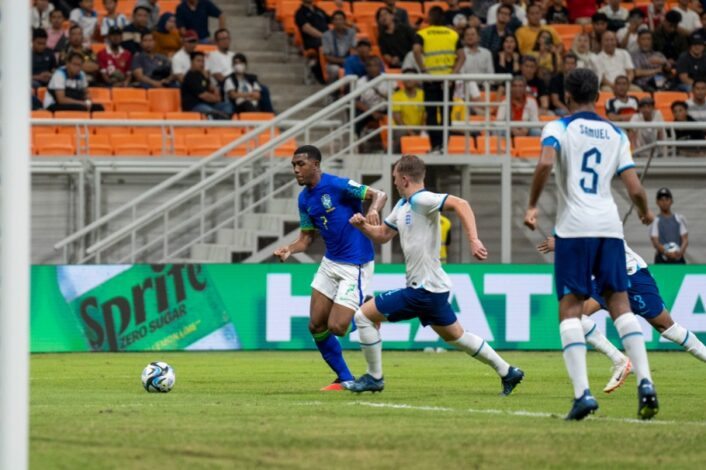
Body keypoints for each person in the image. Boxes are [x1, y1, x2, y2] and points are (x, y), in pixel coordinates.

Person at [523, 67, 658, 421]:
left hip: (574, 228)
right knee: (620, 304)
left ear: (567, 95)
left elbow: (544, 165)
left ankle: (582, 394)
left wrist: (533, 204)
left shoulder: (558, 127)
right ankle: (646, 382)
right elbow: (634, 188)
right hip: (610, 227)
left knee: (570, 309)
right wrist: (645, 213)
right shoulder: (616, 133)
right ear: (598, 96)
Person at [343, 154, 524, 395]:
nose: (394, 182)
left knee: (363, 316)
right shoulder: (403, 205)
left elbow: (462, 204)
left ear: (405, 179)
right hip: (433, 290)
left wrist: (474, 239)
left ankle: (374, 377)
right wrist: (363, 226)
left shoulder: (422, 199)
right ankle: (508, 371)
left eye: (396, 178)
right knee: (457, 337)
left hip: (422, 290)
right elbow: (384, 236)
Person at [273, 145, 387, 391]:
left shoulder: (338, 185)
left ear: (315, 164)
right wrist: (290, 249)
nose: (296, 170)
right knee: (316, 325)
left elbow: (379, 194)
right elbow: (306, 239)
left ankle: (370, 311)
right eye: (293, 165)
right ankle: (344, 377)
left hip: (355, 264)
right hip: (330, 263)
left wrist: (374, 210)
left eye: (300, 164)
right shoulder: (304, 199)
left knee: (337, 327)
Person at [537, 236, 706, 393]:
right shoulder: (576, 214)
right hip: (605, 276)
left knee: (666, 326)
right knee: (575, 317)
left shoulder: (599, 210)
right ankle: (620, 360)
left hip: (630, 274)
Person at [413, 6, 465, 150]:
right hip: (447, 81)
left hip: (430, 79)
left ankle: (435, 145)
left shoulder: (422, 34)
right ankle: (443, 146)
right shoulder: (453, 34)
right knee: (445, 114)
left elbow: (416, 51)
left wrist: (423, 70)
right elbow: (462, 56)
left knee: (431, 113)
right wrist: (453, 74)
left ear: (429, 17)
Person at [180, 51, 231, 119]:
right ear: (191, 62)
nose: (201, 64)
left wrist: (214, 89)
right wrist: (217, 99)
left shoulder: (201, 75)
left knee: (227, 105)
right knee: (211, 112)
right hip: (194, 106)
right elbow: (203, 95)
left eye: (203, 61)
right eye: (198, 61)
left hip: (208, 104)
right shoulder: (190, 76)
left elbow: (212, 88)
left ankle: (227, 124)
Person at [651, 188, 689, 264]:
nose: (664, 202)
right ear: (657, 202)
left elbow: (685, 239)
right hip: (662, 260)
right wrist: (666, 252)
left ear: (671, 201)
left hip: (678, 258)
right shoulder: (655, 220)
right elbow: (655, 241)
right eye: (661, 199)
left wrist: (680, 252)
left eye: (667, 199)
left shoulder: (679, 218)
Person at [391, 70, 425, 152]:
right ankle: (395, 160)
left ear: (417, 80)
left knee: (432, 131)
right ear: (402, 80)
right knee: (400, 133)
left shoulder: (424, 94)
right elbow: (397, 119)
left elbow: (426, 115)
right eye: (406, 77)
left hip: (419, 127)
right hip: (401, 127)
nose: (408, 80)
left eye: (411, 77)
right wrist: (410, 132)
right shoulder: (396, 96)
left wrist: (422, 129)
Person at [322, 10, 356, 82]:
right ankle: (335, 91)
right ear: (332, 22)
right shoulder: (326, 35)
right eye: (335, 20)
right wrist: (343, 61)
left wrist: (349, 61)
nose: (338, 22)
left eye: (340, 19)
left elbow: (354, 49)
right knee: (335, 69)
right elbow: (327, 56)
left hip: (348, 60)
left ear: (344, 21)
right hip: (333, 62)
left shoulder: (351, 33)